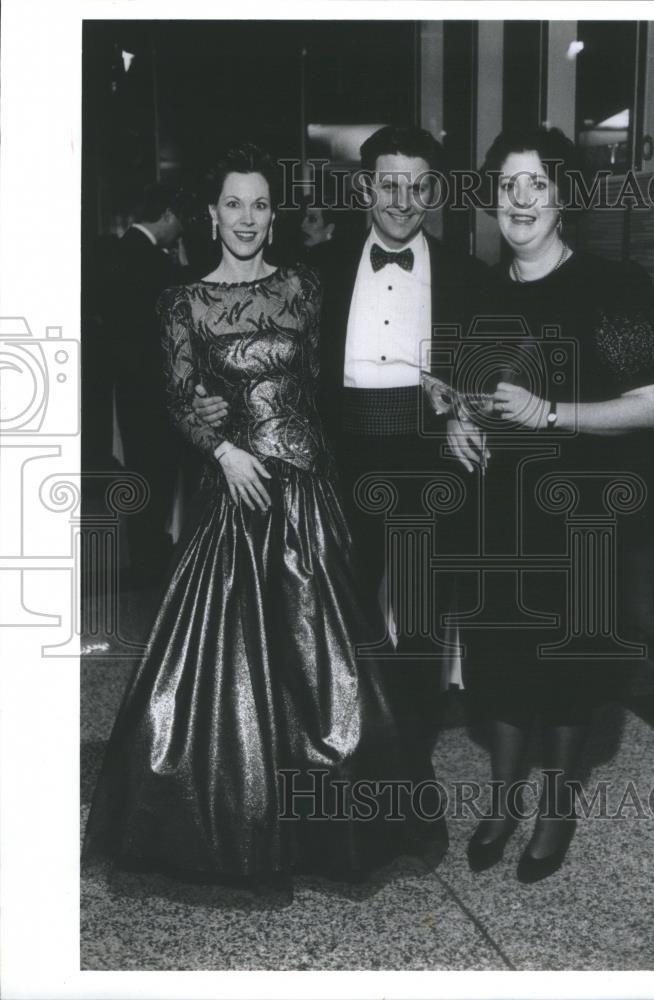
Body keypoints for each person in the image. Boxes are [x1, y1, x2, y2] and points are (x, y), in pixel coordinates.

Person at [83, 144, 446, 889]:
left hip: (310, 495)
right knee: (226, 667)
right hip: (237, 495)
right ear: (211, 215)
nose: (247, 217)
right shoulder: (181, 301)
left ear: (272, 213)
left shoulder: (305, 288)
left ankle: (329, 833)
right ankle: (228, 828)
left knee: (329, 670)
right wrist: (219, 445)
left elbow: (317, 389)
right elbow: (177, 397)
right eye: (232, 204)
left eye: (258, 204)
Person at [193, 126, 484, 757]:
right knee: (334, 617)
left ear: (433, 191)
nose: (402, 201)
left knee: (422, 621)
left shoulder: (467, 273)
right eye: (388, 184)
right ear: (365, 187)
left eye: (417, 186)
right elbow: (264, 357)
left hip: (427, 460)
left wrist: (466, 407)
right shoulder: (315, 272)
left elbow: (492, 366)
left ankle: (409, 765)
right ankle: (343, 762)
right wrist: (213, 403)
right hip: (335, 462)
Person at [449, 126, 654, 883]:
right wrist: (456, 420)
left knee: (572, 664)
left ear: (563, 194)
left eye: (535, 184)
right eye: (506, 186)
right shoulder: (478, 287)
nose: (519, 201)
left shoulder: (617, 285)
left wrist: (549, 413)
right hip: (499, 512)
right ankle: (505, 798)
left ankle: (556, 809)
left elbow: (648, 406)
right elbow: (467, 389)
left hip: (582, 514)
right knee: (502, 657)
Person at [104, 182, 192, 585]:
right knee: (155, 477)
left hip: (131, 389)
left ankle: (147, 559)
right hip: (153, 393)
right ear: (170, 215)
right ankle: (150, 565)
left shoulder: (124, 252)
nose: (183, 231)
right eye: (183, 222)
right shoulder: (154, 264)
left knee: (143, 476)